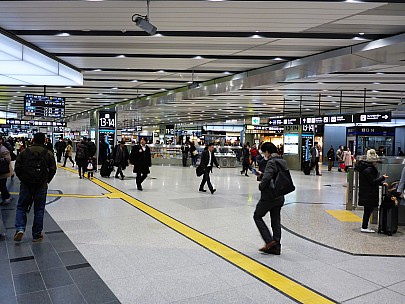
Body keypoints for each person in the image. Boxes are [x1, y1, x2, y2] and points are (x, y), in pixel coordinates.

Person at [13, 132, 56, 242]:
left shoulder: (24, 152)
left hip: (26, 184)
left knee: (21, 207)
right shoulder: (48, 153)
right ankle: (36, 235)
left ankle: (20, 228)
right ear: (45, 140)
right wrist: (46, 180)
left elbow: (17, 167)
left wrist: (23, 178)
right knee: (39, 210)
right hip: (41, 185)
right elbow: (53, 169)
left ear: (33, 140)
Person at [253, 142, 288, 255]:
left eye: (264, 152)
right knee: (276, 221)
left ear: (267, 152)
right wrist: (262, 175)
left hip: (269, 196)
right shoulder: (282, 161)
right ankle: (276, 247)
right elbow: (276, 177)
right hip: (280, 195)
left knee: (257, 216)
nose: (264, 154)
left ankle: (269, 242)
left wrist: (261, 185)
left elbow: (268, 178)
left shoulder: (271, 162)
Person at [356, 149, 388, 233]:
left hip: (366, 192)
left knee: (367, 210)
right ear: (373, 161)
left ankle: (364, 226)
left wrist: (381, 183)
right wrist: (382, 178)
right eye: (376, 161)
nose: (376, 163)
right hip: (369, 193)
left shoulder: (364, 168)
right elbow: (373, 181)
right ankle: (364, 227)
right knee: (368, 210)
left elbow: (371, 181)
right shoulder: (369, 170)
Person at [0, 137, 14, 206]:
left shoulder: (3, 149)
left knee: (2, 185)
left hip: (3, 171)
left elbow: (8, 159)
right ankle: (6, 197)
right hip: (2, 171)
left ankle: (6, 198)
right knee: (2, 185)